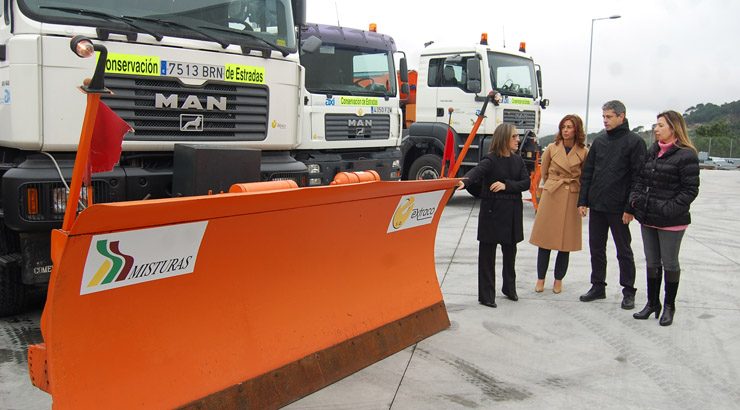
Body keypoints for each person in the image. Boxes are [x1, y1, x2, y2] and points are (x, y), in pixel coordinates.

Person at [629, 111, 699, 326]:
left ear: (673, 128)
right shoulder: (653, 151)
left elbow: (690, 190)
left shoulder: (686, 155)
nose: (656, 129)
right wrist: (635, 198)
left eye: (660, 125)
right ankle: (652, 303)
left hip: (671, 220)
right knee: (651, 262)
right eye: (655, 125)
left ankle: (669, 306)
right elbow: (640, 179)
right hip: (648, 216)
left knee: (669, 263)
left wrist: (668, 208)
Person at [578, 100, 647, 309]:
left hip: (620, 209)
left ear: (621, 116)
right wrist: (583, 201)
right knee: (596, 248)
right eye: (603, 117)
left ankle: (628, 291)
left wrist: (630, 208)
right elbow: (587, 173)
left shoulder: (635, 142)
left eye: (609, 117)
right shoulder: (599, 142)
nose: (605, 121)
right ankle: (598, 286)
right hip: (598, 205)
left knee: (623, 250)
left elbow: (639, 178)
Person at [457, 123, 531, 308]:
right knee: (487, 256)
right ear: (504, 138)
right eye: (514, 137)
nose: (518, 140)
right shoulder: (490, 159)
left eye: (517, 136)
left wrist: (506, 185)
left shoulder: (518, 160)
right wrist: (462, 182)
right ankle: (486, 295)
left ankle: (509, 288)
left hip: (512, 213)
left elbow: (526, 183)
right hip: (492, 213)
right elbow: (476, 172)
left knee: (510, 254)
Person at [529, 115, 588, 294]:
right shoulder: (552, 149)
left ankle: (558, 280)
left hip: (572, 195)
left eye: (569, 127)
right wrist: (554, 184)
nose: (565, 130)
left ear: (576, 130)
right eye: (563, 126)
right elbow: (544, 172)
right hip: (552, 194)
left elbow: (585, 176)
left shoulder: (584, 152)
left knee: (565, 243)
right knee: (544, 240)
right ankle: (540, 279)